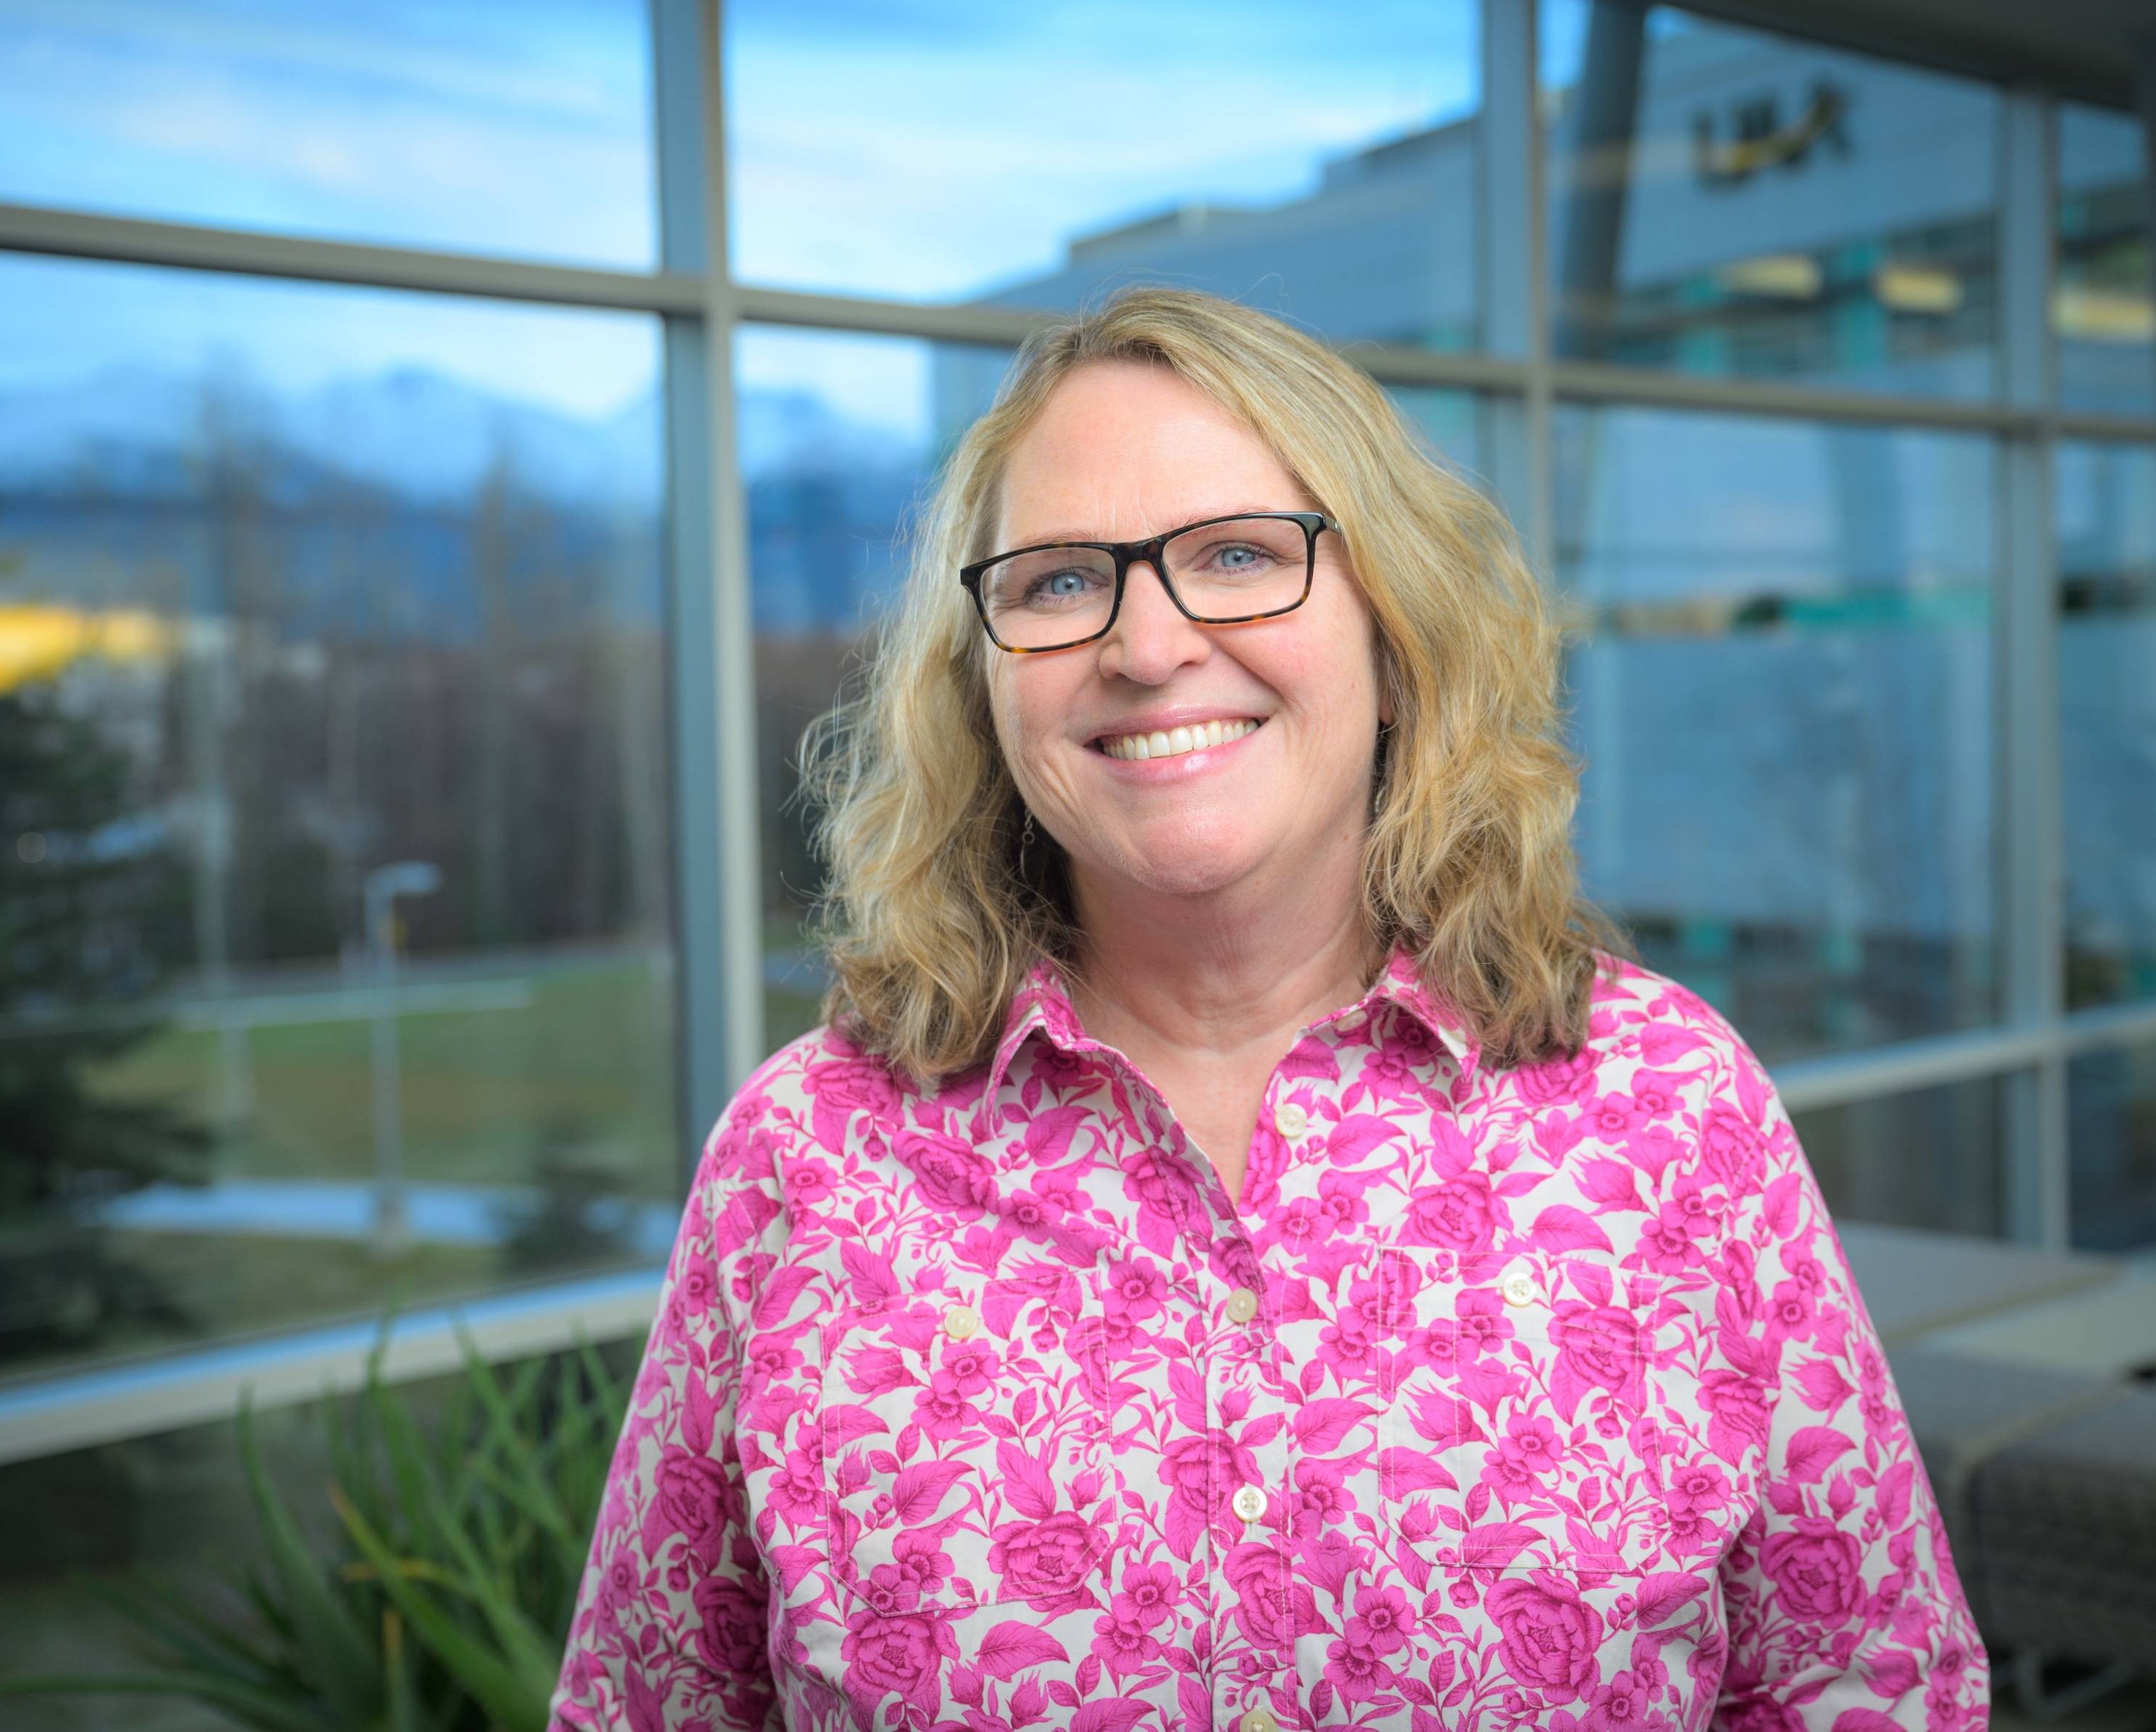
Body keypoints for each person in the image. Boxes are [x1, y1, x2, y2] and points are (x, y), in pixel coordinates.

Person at [549, 287, 1988, 1731]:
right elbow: (642, 1708)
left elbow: (1868, 1679)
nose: (1147, 644)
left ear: (1392, 624)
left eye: (1238, 554)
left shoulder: (1672, 1105)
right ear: (979, 679)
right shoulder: (806, 1160)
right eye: (1057, 581)